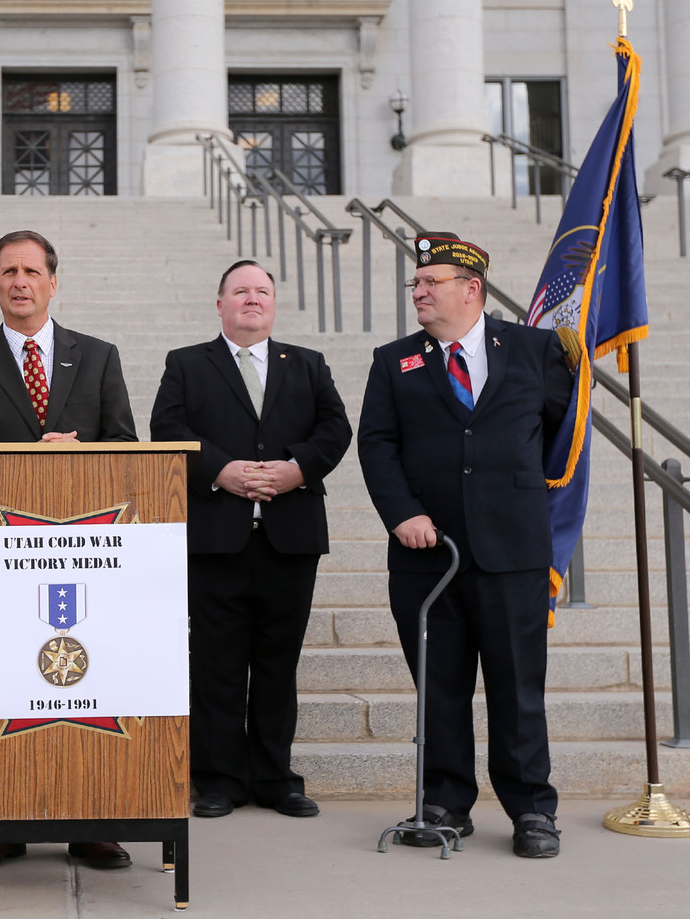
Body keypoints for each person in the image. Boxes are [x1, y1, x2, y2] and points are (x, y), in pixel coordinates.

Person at [357, 231, 572, 858]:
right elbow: (377, 443)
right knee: (440, 684)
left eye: (430, 283)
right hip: (430, 553)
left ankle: (532, 809)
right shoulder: (394, 359)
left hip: (513, 552)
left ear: (471, 288)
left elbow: (564, 438)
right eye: (414, 284)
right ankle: (446, 800)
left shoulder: (535, 350)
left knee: (517, 687)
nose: (417, 293)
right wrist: (402, 514)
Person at [0, 230, 137, 871]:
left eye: (32, 270)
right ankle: (0, 823)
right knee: (7, 685)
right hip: (2, 561)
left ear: (54, 281)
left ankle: (93, 824)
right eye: (8, 271)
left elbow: (126, 447)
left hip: (88, 556)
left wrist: (81, 456)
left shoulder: (100, 356)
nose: (20, 281)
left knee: (87, 685)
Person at [150, 260, 351, 820]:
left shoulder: (308, 365)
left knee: (276, 663)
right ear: (220, 304)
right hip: (216, 538)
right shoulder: (187, 364)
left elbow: (336, 428)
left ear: (274, 304)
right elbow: (167, 429)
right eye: (241, 291)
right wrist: (221, 470)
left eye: (262, 291)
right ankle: (217, 779)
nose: (253, 299)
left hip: (290, 536)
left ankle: (275, 778)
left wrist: (297, 470)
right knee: (216, 663)